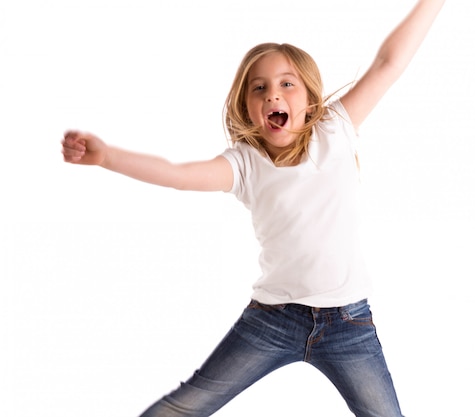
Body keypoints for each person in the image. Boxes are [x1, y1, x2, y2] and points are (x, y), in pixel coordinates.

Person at [61, 1, 446, 415]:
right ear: (246, 106)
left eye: (286, 84)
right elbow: (177, 174)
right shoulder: (244, 164)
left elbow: (389, 63)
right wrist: (107, 157)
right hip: (273, 321)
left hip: (348, 324)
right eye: (258, 88)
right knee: (184, 406)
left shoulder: (334, 130)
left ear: (311, 101)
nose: (272, 94)